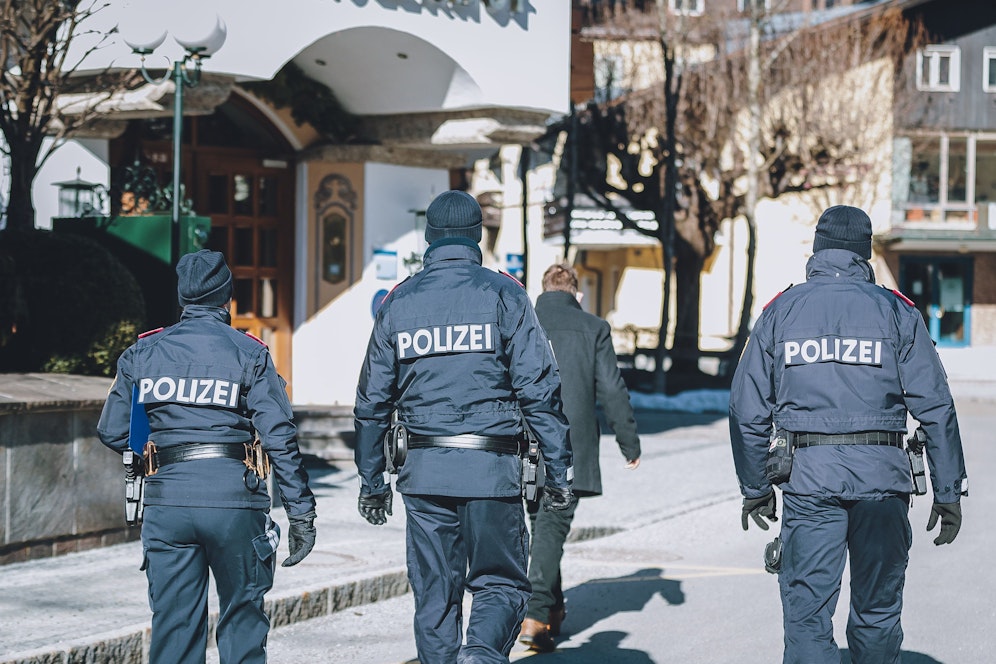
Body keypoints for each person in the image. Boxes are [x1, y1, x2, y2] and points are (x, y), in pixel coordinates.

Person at [729, 205, 968, 664]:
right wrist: (948, 490)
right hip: (884, 480)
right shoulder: (898, 313)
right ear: (866, 253)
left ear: (817, 249)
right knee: (877, 610)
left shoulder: (782, 311)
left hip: (809, 481)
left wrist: (756, 488)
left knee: (807, 615)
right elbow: (936, 406)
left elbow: (746, 408)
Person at [353, 190, 575, 664]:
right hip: (491, 471)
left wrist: (373, 482)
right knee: (499, 583)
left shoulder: (400, 302)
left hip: (424, 473)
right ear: (476, 237)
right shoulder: (504, 294)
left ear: (430, 238)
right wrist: (558, 471)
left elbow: (372, 401)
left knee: (434, 592)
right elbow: (540, 390)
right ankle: (479, 654)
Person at [97, 249, 317, 664]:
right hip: (235, 500)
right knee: (242, 623)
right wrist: (301, 513)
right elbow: (279, 437)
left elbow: (112, 431)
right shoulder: (249, 353)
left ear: (183, 298)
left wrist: (154, 452)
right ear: (226, 297)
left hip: (168, 502)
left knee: (175, 628)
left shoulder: (144, 352)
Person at [518, 263, 641, 653]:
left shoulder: (521, 321)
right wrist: (629, 443)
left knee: (543, 526)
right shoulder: (593, 328)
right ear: (578, 294)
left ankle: (552, 610)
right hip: (570, 449)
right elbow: (611, 389)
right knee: (551, 529)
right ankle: (536, 615)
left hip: (522, 445)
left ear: (543, 289)